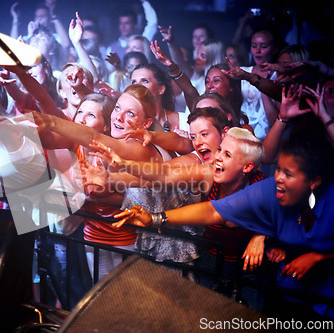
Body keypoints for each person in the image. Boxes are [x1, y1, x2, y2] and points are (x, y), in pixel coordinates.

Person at [114, 131, 334, 321]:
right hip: (288, 288)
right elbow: (213, 210)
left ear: (314, 182)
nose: (278, 178)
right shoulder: (269, 190)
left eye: (288, 174)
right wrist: (154, 219)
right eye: (278, 169)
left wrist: (318, 257)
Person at [31, 84, 164, 280]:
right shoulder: (82, 146)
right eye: (118, 109)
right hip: (93, 233)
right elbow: (48, 137)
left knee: (125, 297)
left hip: (123, 236)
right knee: (101, 297)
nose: (119, 116)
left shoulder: (124, 150)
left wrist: (89, 192)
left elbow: (128, 197)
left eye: (130, 113)